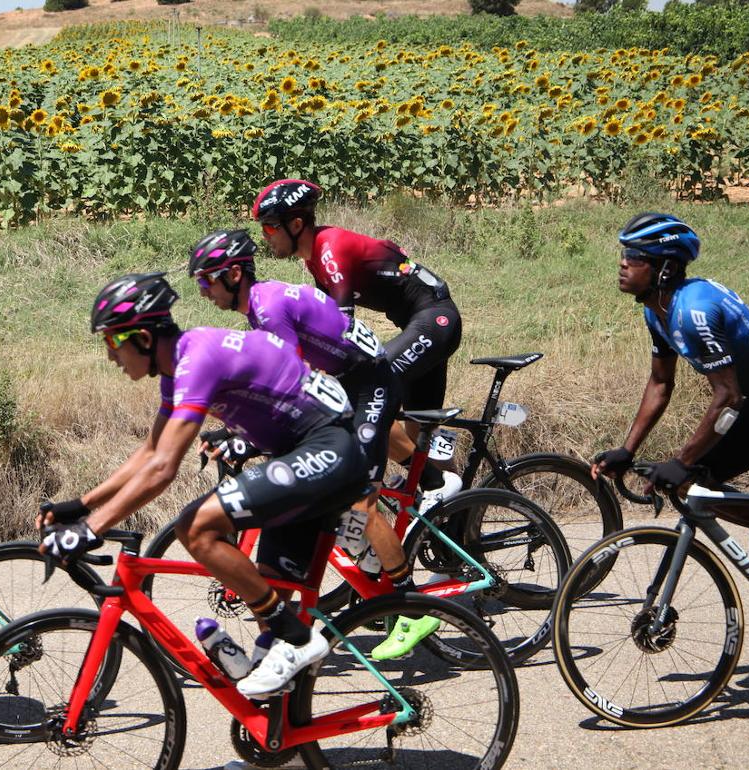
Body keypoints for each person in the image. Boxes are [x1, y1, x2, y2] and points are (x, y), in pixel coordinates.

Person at [37, 272, 370, 697]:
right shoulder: (176, 369)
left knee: (195, 526)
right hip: (300, 454)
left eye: (112, 343)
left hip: (330, 448)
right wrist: (82, 506)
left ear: (141, 337)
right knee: (265, 587)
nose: (110, 357)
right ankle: (277, 742)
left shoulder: (199, 359)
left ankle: (299, 638)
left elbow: (163, 469)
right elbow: (150, 451)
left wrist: (90, 530)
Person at [588, 213, 749, 695]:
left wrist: (681, 456)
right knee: (691, 484)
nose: (622, 264)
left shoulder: (692, 310)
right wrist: (628, 448)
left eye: (634, 257)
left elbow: (727, 397)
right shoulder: (655, 308)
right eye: (623, 253)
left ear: (663, 269)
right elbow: (661, 383)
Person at [187, 228, 439, 657]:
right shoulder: (261, 303)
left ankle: (411, 608)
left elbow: (283, 383)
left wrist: (245, 442)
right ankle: (374, 560)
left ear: (232, 275)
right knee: (330, 490)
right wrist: (237, 431)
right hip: (349, 384)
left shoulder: (266, 309)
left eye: (206, 281)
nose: (203, 292)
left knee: (362, 500)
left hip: (368, 385)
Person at [251, 179, 462, 487]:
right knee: (422, 433)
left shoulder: (330, 249)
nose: (264, 236)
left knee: (370, 391)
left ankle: (434, 486)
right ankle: (459, 518)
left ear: (296, 224)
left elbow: (341, 327)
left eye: (269, 227)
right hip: (425, 324)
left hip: (435, 320)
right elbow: (323, 332)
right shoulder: (315, 259)